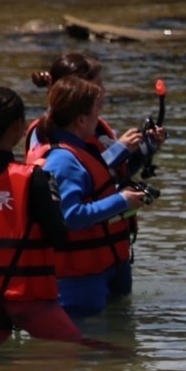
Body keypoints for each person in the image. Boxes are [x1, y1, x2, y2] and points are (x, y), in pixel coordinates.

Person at [0, 87, 82, 352]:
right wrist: (52, 193)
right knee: (74, 355)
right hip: (29, 299)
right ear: (18, 126)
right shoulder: (34, 177)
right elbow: (59, 235)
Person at [39, 76, 148, 318]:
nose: (99, 118)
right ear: (80, 119)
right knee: (88, 352)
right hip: (79, 283)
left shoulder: (81, 150)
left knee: (119, 351)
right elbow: (71, 216)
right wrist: (122, 201)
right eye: (96, 111)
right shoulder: (63, 161)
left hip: (103, 270)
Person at [23, 53, 162, 169]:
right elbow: (71, 175)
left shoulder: (93, 125)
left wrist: (144, 148)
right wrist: (120, 149)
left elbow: (110, 178)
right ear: (78, 88)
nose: (104, 91)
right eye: (98, 85)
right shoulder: (45, 133)